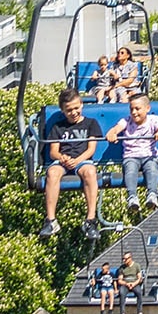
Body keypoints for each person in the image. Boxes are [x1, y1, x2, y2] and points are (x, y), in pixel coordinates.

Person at [40, 86, 107, 234]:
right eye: (69, 110)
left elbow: (91, 149)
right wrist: (62, 158)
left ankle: (90, 219)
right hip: (63, 162)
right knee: (52, 173)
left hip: (82, 161)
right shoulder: (58, 127)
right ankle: (51, 220)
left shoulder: (90, 123)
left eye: (76, 108)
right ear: (63, 111)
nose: (74, 113)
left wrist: (77, 160)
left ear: (81, 105)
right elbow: (53, 152)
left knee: (90, 172)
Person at [113, 90, 158, 201]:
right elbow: (116, 128)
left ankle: (152, 194)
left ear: (147, 108)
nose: (134, 112)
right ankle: (132, 196)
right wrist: (112, 133)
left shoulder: (154, 120)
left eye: (137, 109)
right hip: (131, 156)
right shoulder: (126, 121)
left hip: (149, 156)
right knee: (130, 171)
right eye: (131, 109)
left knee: (152, 169)